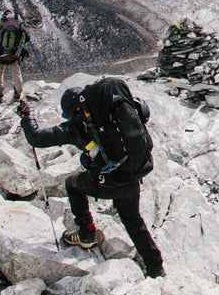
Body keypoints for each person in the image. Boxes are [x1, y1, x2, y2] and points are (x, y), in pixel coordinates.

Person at [19, 80, 164, 278]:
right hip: (130, 172)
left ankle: (86, 233)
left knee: (72, 184)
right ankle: (156, 266)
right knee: (133, 220)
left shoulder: (76, 127)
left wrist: (27, 117)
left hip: (109, 179)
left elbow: (37, 138)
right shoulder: (109, 116)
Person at [0, 7, 31, 104]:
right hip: (13, 56)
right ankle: (17, 95)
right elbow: (27, 38)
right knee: (17, 76)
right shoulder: (19, 26)